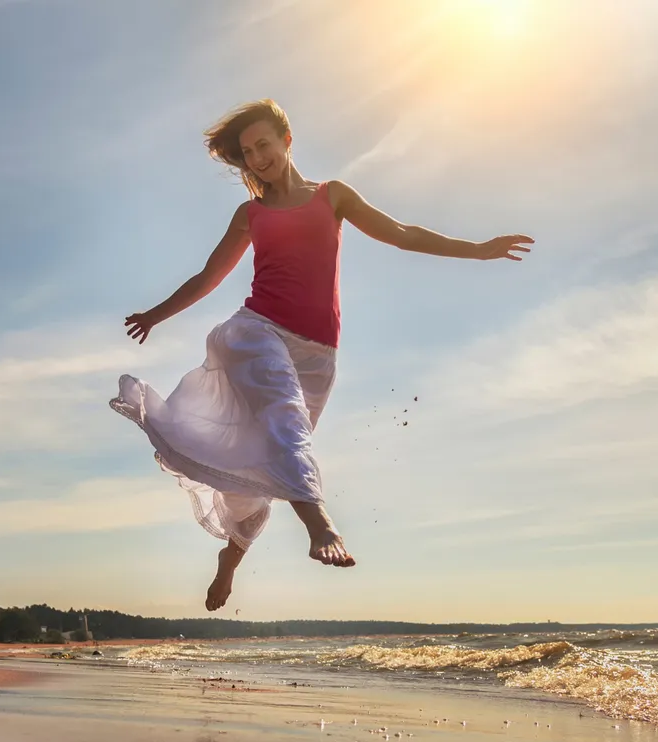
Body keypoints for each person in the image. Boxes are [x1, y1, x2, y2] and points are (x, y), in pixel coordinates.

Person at [111, 99, 532, 612]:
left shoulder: (332, 197)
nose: (257, 158)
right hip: (254, 332)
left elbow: (401, 235)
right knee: (285, 421)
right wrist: (156, 314)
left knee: (267, 464)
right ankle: (320, 523)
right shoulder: (251, 214)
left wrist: (478, 249)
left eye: (264, 145)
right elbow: (208, 277)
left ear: (287, 141)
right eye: (247, 154)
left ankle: (231, 556)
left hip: (317, 354)